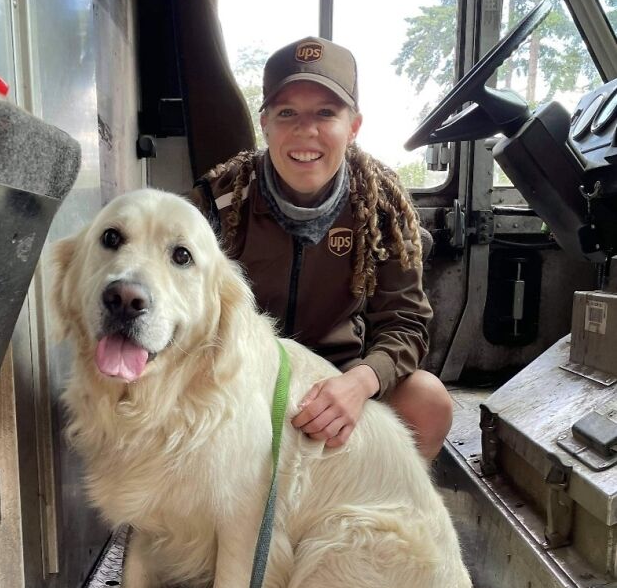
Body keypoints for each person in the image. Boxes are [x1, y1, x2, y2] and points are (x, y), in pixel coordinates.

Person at [190, 36, 453, 460]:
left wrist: (359, 383)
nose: (305, 130)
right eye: (287, 112)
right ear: (266, 123)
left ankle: (364, 516)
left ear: (353, 127)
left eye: (325, 113)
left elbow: (406, 323)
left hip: (340, 378)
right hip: (238, 381)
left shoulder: (380, 207)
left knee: (427, 400)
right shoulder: (216, 205)